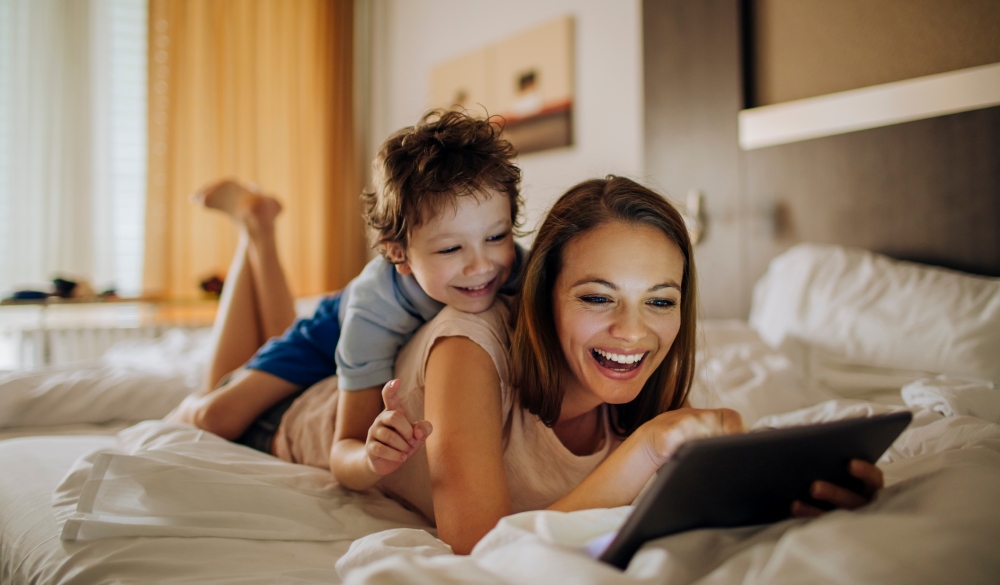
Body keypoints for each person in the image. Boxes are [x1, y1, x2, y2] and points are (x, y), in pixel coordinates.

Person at [343, 176, 885, 554]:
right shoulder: (468, 349)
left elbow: (694, 487)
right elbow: (478, 548)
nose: (633, 332)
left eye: (660, 300)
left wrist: (787, 493)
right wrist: (645, 451)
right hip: (311, 419)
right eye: (598, 298)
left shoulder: (654, 377)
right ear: (542, 294)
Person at [167, 109, 525, 487]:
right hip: (327, 333)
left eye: (497, 237)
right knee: (218, 417)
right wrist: (370, 458)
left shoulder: (519, 268)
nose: (481, 265)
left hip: (350, 326)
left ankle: (257, 225)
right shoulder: (375, 309)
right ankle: (176, 413)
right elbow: (345, 448)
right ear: (398, 254)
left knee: (273, 338)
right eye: (451, 249)